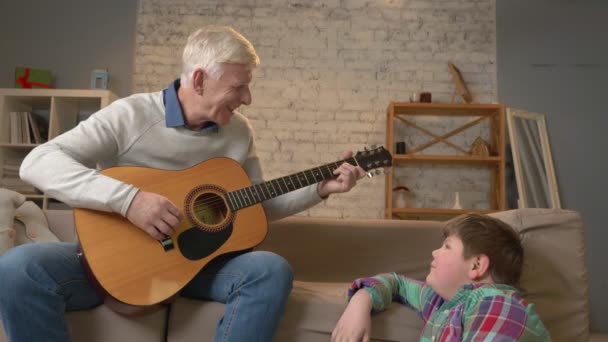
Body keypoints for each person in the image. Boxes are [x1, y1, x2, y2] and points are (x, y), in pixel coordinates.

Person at [0, 25, 365, 342]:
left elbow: (255, 204)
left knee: (271, 269)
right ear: (199, 80)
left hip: (205, 266)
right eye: (239, 88)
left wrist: (320, 189)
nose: (247, 99)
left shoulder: (239, 133)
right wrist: (130, 200)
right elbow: (38, 162)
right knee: (18, 268)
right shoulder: (130, 115)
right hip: (117, 263)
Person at [332, 213, 551, 342]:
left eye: (447, 246)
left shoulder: (499, 305)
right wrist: (360, 302)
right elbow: (396, 283)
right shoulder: (442, 304)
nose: (434, 252)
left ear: (477, 265)